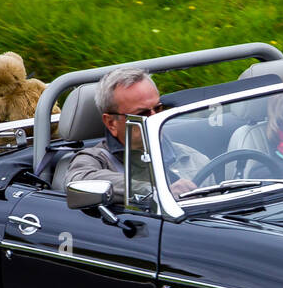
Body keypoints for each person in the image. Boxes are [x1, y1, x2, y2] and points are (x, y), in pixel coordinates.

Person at [66, 67, 209, 201]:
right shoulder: (95, 160)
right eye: (142, 114)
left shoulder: (192, 157)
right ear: (111, 123)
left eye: (158, 109)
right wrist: (155, 191)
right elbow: (78, 179)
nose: (155, 118)